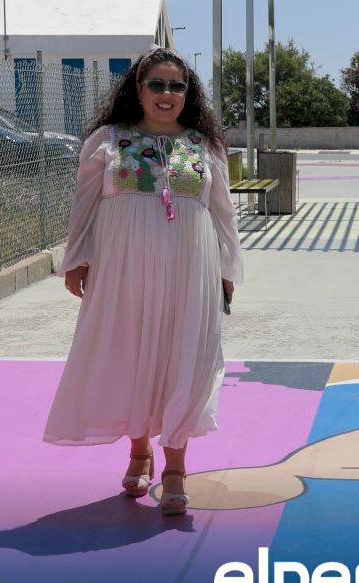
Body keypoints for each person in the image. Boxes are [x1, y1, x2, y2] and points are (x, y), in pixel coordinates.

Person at [43, 48, 243, 516]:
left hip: (189, 269)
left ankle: (176, 468)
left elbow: (223, 214)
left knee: (183, 358)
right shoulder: (108, 140)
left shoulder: (205, 146)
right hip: (124, 269)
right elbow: (84, 204)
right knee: (131, 354)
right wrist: (77, 259)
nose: (166, 94)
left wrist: (228, 269)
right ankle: (138, 451)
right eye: (157, 84)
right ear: (138, 89)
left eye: (177, 86)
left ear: (188, 93)